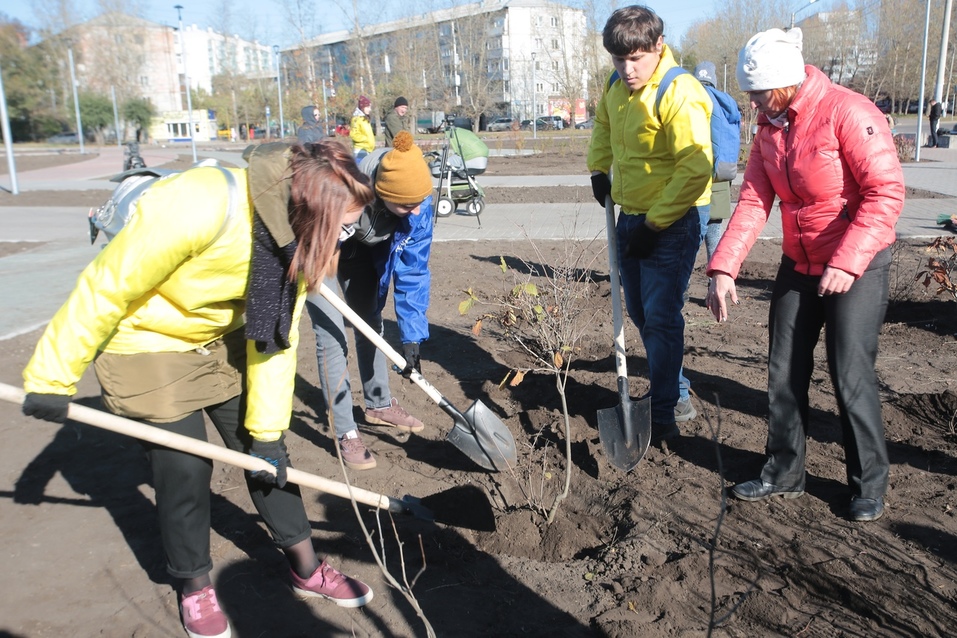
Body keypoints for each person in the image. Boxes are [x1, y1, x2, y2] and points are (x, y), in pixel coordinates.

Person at [20, 139, 377, 638]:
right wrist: (52, 377)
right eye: (344, 226)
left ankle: (306, 566)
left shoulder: (295, 242)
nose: (346, 237)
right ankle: (194, 586)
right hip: (148, 342)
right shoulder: (203, 201)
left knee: (266, 454)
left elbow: (276, 340)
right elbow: (107, 285)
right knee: (184, 467)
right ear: (313, 207)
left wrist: (268, 433)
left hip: (221, 338)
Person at [706, 28, 904, 523]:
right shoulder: (769, 128)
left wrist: (845, 262)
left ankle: (868, 484)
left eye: (757, 91)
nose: (751, 101)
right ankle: (784, 471)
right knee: (784, 369)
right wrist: (724, 267)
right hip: (799, 263)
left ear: (784, 83)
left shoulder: (848, 112)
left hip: (857, 263)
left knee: (849, 372)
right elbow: (753, 202)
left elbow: (885, 193)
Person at [587, 5, 713, 443]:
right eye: (619, 59)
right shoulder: (615, 86)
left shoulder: (679, 92)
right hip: (631, 216)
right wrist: (598, 168)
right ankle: (675, 391)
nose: (627, 69)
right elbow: (603, 125)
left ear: (659, 46)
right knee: (641, 313)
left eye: (636, 58)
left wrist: (654, 225)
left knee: (660, 316)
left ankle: (664, 412)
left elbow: (695, 169)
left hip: (672, 221)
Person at [305, 131, 434, 469]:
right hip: (323, 246)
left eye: (419, 201)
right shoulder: (344, 185)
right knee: (332, 336)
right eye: (406, 205)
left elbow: (414, 271)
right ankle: (346, 431)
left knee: (370, 323)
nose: (416, 210)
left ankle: (378, 404)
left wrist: (411, 338)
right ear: (381, 193)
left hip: (364, 254)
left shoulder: (418, 204)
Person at [693, 60, 734, 263]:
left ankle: (683, 282)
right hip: (720, 178)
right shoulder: (724, 102)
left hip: (693, 180)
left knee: (690, 241)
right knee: (714, 238)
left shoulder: (690, 100)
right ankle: (715, 280)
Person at [350, 95, 375, 160]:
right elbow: (353, 134)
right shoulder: (356, 119)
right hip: (360, 151)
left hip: (368, 150)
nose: (370, 109)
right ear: (362, 107)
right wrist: (365, 138)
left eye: (370, 107)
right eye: (368, 107)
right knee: (361, 166)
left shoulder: (364, 119)